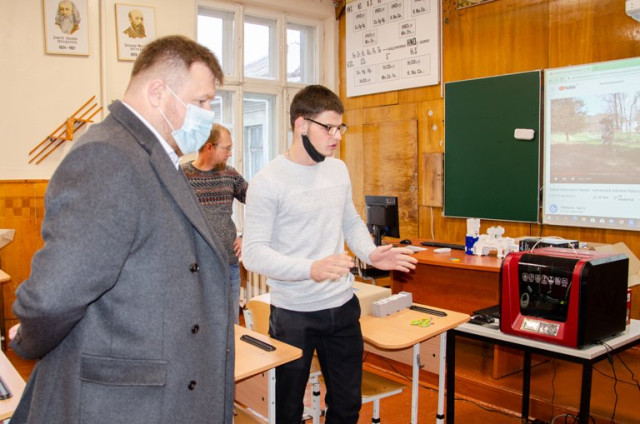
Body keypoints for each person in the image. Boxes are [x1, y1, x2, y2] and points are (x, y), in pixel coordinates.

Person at [9, 35, 235, 424]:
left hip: (158, 387)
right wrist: (28, 339)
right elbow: (54, 295)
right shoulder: (108, 155)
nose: (207, 114)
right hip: (127, 400)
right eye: (201, 101)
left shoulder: (150, 154)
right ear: (158, 92)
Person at [242, 84, 418, 424]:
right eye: (329, 128)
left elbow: (349, 221)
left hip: (342, 306)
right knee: (288, 410)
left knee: (348, 405)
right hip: (294, 314)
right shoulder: (268, 181)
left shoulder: (337, 170)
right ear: (301, 125)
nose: (337, 136)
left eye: (340, 127)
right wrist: (311, 268)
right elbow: (253, 254)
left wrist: (371, 254)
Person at [182, 123, 248, 322]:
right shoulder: (182, 176)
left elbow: (261, 204)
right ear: (209, 147)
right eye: (226, 148)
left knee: (231, 325)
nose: (230, 153)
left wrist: (247, 235)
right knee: (200, 325)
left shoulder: (230, 175)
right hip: (195, 268)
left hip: (229, 265)